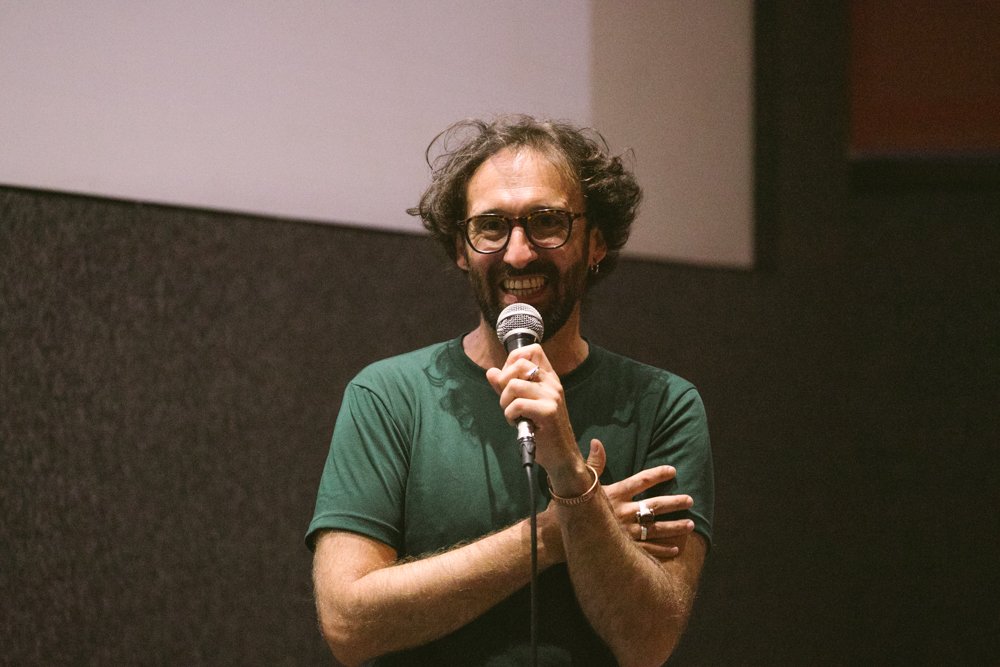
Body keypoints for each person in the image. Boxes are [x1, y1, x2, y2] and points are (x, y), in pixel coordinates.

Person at [306, 114, 714, 666]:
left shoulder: (663, 404)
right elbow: (349, 623)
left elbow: (647, 643)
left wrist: (568, 470)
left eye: (547, 222)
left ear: (596, 242)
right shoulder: (388, 396)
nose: (518, 253)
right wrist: (556, 532)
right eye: (491, 226)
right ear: (461, 248)